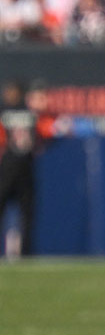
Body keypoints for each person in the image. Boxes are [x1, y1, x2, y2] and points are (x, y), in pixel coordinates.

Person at [1, 79, 54, 258]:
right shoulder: (33, 114)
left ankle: (24, 253)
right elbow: (48, 132)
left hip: (9, 166)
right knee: (27, 215)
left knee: (24, 213)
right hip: (24, 165)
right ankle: (24, 254)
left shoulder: (5, 113)